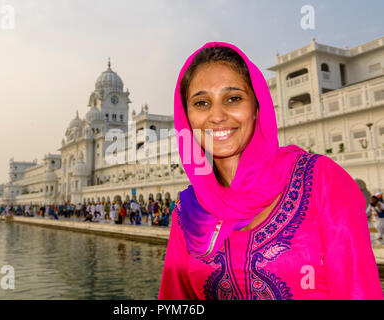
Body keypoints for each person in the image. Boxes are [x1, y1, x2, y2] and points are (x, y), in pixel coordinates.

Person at [158, 42, 383, 300]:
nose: (217, 115)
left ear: (257, 106)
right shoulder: (188, 213)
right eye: (201, 103)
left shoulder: (321, 180)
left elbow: (358, 291)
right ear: (185, 117)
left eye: (233, 98)